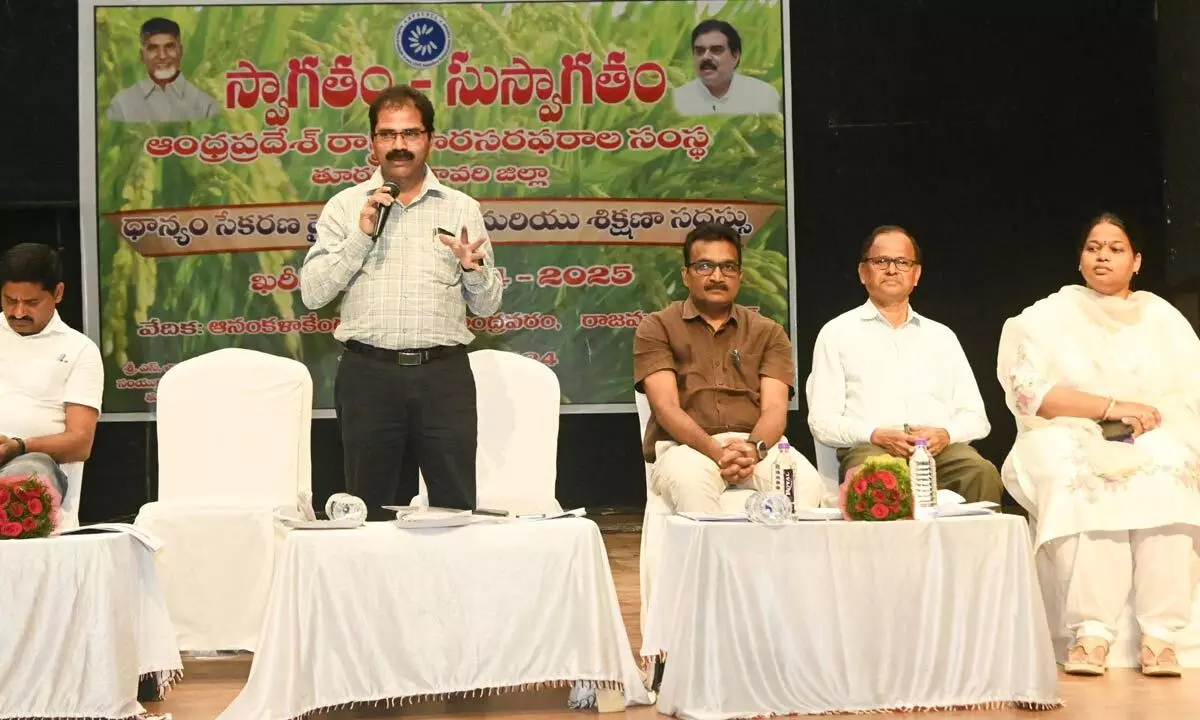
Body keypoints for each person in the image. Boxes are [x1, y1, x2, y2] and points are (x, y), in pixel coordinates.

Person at [996, 213, 1200, 678]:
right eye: (1093, 247)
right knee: (1077, 475)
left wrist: (1150, 419)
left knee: (1173, 469)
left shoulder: (1162, 318)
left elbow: (1192, 391)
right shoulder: (1048, 316)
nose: (1102, 255)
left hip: (1153, 432)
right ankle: (1091, 630)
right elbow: (1031, 394)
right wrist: (1109, 407)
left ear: (1137, 260)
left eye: (1115, 247)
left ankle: (1160, 634)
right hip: (1066, 430)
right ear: (1080, 259)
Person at [300, 84, 502, 519]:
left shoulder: (461, 207)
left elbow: (487, 307)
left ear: (430, 139)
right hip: (368, 377)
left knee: (454, 511)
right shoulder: (345, 206)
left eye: (410, 134)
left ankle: (450, 589)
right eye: (388, 135)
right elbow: (313, 294)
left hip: (443, 377)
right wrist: (361, 236)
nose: (399, 145)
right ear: (372, 143)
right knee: (369, 513)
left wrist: (474, 269)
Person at [634, 222, 822, 514]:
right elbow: (666, 408)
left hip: (757, 447)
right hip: (688, 449)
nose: (717, 277)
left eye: (728, 267)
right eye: (704, 266)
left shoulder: (768, 332)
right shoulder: (658, 326)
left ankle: (778, 561)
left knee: (807, 486)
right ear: (686, 275)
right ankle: (709, 562)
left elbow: (775, 410)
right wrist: (717, 452)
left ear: (740, 276)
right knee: (693, 487)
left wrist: (751, 449)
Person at [808, 225, 1001, 504]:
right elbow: (822, 422)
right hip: (871, 448)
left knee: (981, 472)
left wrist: (946, 434)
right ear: (863, 273)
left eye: (902, 262)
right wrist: (875, 434)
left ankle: (980, 550)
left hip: (938, 452)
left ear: (916, 274)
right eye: (881, 261)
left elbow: (976, 418)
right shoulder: (837, 333)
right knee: (874, 478)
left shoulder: (942, 337)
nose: (891, 270)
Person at [0, 243, 103, 528]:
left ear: (57, 293)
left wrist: (18, 446)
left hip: (35, 474)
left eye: (31, 303)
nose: (18, 312)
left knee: (29, 470)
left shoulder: (80, 349)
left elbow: (80, 443)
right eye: (10, 301)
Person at [106, 17, 220, 123]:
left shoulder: (206, 105)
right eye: (153, 48)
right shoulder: (122, 105)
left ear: (180, 51)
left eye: (169, 47)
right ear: (142, 55)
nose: (162, 56)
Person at [672, 19, 781, 116]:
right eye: (699, 51)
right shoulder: (678, 98)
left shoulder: (762, 95)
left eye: (716, 50)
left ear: (735, 56)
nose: (705, 57)